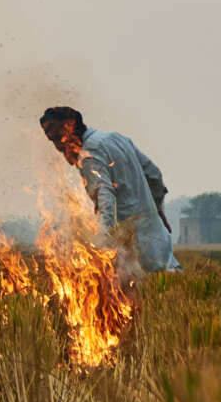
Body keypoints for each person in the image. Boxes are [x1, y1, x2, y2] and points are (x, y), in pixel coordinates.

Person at [39, 105, 180, 280]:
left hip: (134, 247)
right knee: (168, 288)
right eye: (52, 140)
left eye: (58, 138)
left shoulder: (89, 156)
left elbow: (104, 196)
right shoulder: (116, 138)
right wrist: (158, 210)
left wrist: (103, 243)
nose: (58, 146)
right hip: (157, 236)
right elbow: (154, 175)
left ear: (70, 129)